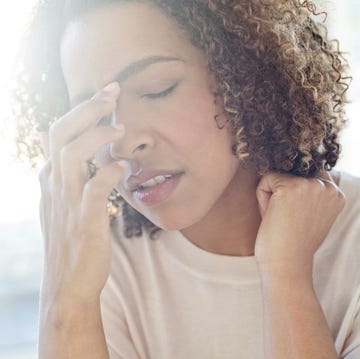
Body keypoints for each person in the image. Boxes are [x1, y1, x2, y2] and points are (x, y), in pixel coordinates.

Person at [13, 0, 360, 358]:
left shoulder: (352, 240)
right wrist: (66, 300)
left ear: (243, 74)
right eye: (95, 113)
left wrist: (286, 275)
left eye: (156, 89)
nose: (124, 142)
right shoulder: (100, 267)